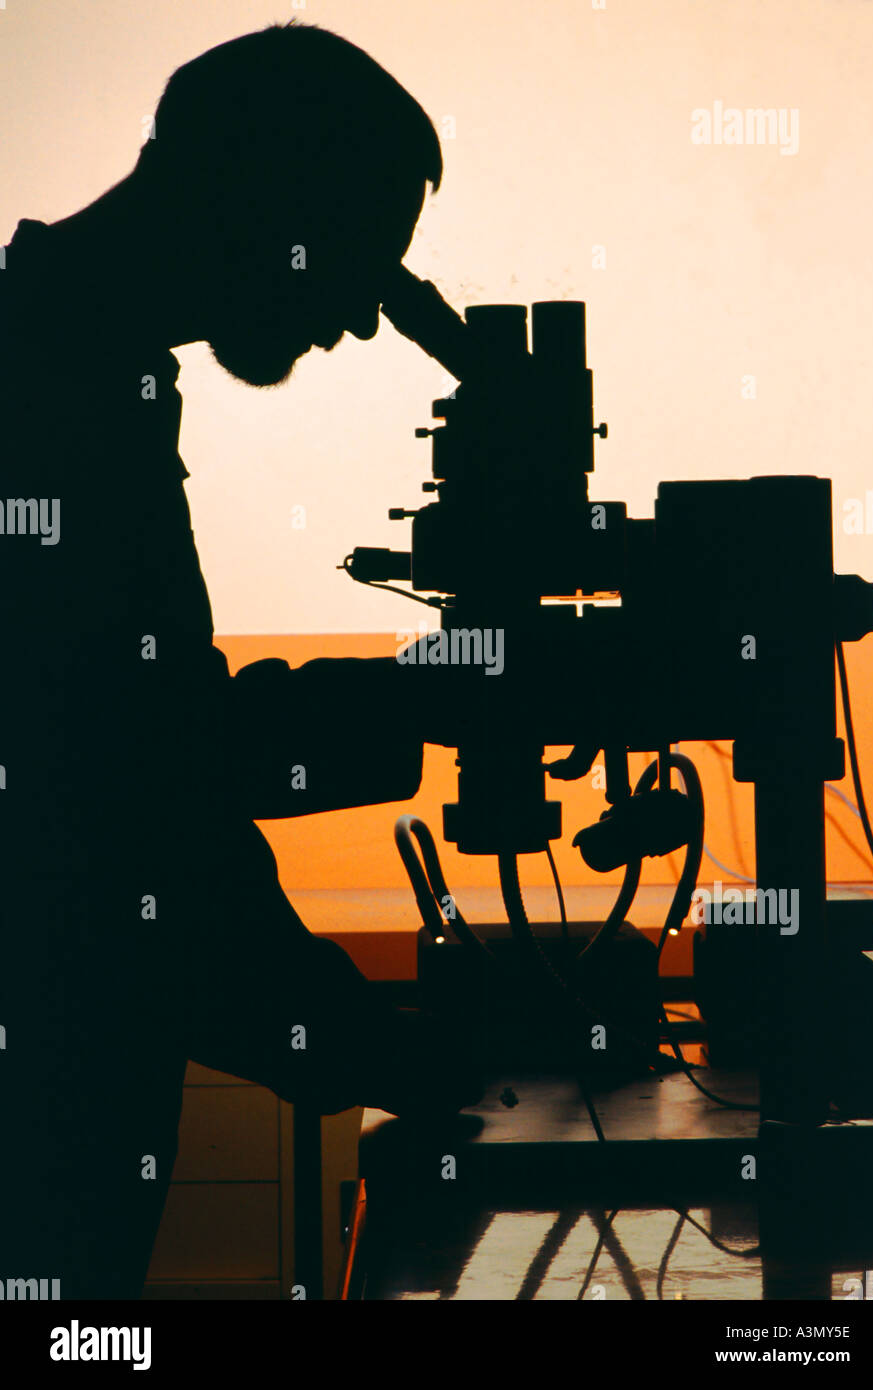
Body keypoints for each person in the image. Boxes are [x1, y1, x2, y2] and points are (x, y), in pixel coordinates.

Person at [0, 21, 481, 1301]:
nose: (363, 322)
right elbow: (122, 832)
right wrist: (371, 1045)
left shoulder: (89, 374)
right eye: (362, 263)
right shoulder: (43, 404)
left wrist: (414, 701)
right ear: (271, 205)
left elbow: (150, 740)